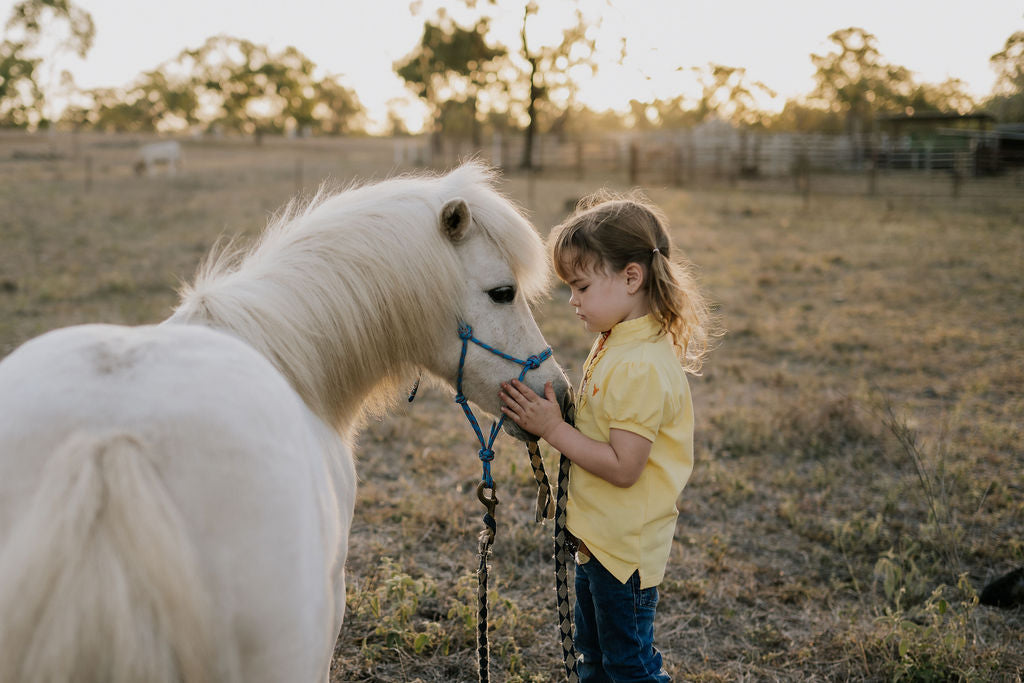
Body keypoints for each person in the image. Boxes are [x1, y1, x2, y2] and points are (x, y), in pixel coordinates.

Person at [499, 191, 714, 682]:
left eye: (580, 287)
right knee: (593, 661)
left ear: (631, 277)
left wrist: (552, 429)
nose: (572, 300)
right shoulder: (616, 339)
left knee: (629, 666)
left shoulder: (639, 365)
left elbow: (624, 466)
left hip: (623, 552)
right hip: (597, 540)